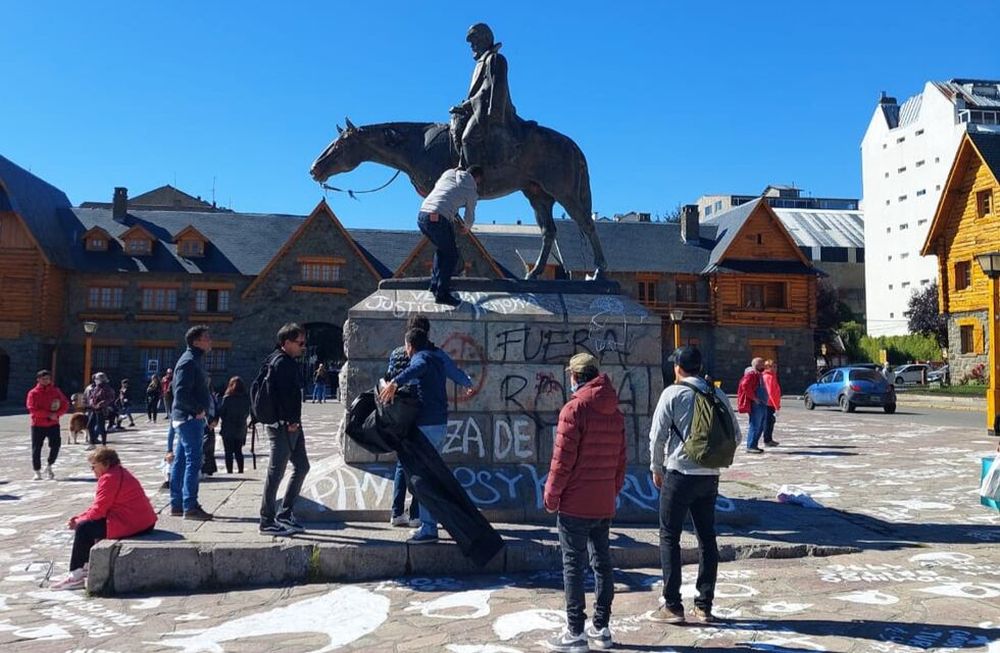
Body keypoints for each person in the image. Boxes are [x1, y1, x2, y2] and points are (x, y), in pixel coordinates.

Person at [648, 346, 740, 625]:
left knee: (669, 536)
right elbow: (735, 434)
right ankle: (704, 605)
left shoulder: (673, 393)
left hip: (679, 473)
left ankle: (673, 605)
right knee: (707, 538)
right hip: (709, 476)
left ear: (678, 367)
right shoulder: (716, 393)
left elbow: (657, 435)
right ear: (699, 367)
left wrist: (656, 467)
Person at [542, 353, 626, 653]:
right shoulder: (615, 411)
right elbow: (621, 460)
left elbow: (561, 461)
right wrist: (611, 491)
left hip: (575, 503)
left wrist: (551, 495)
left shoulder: (574, 409)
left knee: (573, 566)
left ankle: (575, 631)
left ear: (576, 377)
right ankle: (601, 628)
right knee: (602, 563)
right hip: (603, 500)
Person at [379, 327, 474, 544]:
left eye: (406, 346)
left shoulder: (421, 358)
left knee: (423, 480)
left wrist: (395, 382)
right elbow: (455, 372)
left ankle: (429, 529)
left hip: (426, 427)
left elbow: (417, 368)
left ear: (410, 346)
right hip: (440, 425)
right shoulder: (437, 357)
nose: (406, 350)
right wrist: (466, 382)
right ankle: (428, 524)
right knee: (428, 477)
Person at [49, 447, 156, 590]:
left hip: (131, 522)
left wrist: (78, 521)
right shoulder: (119, 472)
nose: (92, 470)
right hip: (143, 521)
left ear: (105, 464)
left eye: (94, 466)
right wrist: (80, 517)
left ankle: (76, 574)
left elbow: (99, 510)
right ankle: (85, 566)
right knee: (89, 524)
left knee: (84, 528)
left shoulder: (109, 478)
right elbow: (101, 506)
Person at [259, 323, 311, 536]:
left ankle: (285, 513)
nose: (303, 347)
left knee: (302, 466)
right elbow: (283, 395)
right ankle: (267, 520)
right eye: (300, 343)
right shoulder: (281, 363)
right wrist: (290, 420)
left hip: (290, 424)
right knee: (276, 472)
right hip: (284, 426)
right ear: (287, 342)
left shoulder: (277, 360)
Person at [450, 22, 518, 168]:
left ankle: (474, 177)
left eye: (474, 42)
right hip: (479, 108)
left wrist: (467, 104)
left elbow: (490, 89)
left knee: (468, 139)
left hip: (491, 112)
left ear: (485, 39)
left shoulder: (495, 59)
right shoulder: (482, 62)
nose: (472, 46)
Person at [386, 315, 431, 528]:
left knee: (401, 463)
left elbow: (388, 376)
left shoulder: (396, 353)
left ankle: (396, 512)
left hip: (399, 413)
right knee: (420, 464)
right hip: (419, 412)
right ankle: (415, 514)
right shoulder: (426, 355)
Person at [417, 166, 483, 306]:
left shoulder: (448, 173)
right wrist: (466, 228)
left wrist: (454, 170)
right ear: (477, 178)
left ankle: (435, 285)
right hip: (439, 218)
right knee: (452, 255)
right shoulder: (471, 189)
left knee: (443, 250)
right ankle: (442, 293)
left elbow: (443, 189)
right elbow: (470, 215)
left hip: (422, 216)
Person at [169, 326, 215, 521]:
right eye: (206, 337)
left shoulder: (193, 359)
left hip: (186, 418)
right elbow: (180, 393)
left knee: (181, 461)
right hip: (189, 419)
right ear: (196, 342)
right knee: (193, 461)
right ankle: (190, 506)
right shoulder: (189, 362)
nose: (210, 340)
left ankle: (177, 504)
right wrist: (197, 410)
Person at [26, 369, 70, 481]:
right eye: (44, 379)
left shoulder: (56, 391)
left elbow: (65, 404)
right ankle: (37, 471)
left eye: (48, 379)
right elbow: (32, 409)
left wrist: (57, 414)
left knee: (56, 445)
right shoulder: (33, 393)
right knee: (36, 448)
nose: (46, 381)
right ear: (38, 380)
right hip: (38, 424)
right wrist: (48, 414)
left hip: (53, 424)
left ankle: (50, 465)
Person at [217, 376, 251, 474]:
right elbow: (247, 413)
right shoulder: (245, 399)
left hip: (227, 428)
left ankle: (229, 471)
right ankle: (240, 470)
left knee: (228, 452)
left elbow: (222, 412)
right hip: (240, 428)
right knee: (238, 451)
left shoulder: (227, 398)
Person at [736, 357, 768, 453]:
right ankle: (751, 446)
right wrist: (754, 398)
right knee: (755, 424)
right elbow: (745, 386)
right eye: (761, 364)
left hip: (762, 403)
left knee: (761, 425)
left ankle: (754, 445)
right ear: (756, 365)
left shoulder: (759, 374)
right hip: (756, 404)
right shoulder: (751, 374)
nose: (763, 365)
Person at [84, 372, 115, 450]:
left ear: (101, 379)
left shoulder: (106, 388)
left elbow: (110, 398)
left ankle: (104, 445)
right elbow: (92, 396)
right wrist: (91, 402)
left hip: (101, 410)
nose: (95, 380)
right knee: (89, 425)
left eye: (97, 379)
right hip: (94, 409)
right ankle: (92, 443)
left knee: (101, 427)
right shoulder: (96, 387)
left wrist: (101, 404)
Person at [761, 360, 781, 447]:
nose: (775, 369)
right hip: (769, 403)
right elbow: (770, 392)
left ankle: (769, 439)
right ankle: (767, 440)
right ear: (767, 367)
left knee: (771, 422)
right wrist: (776, 406)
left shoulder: (772, 376)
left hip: (770, 403)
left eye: (776, 367)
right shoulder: (768, 377)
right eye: (773, 367)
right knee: (768, 422)